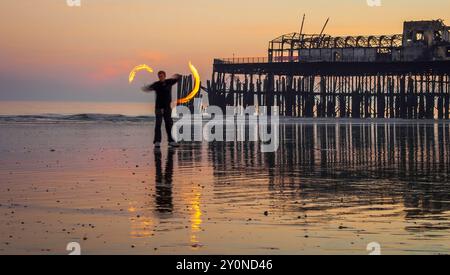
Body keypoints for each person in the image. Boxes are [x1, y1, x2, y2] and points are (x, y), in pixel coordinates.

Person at [142, 71, 182, 147]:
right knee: (158, 125)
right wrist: (145, 88)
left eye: (162, 76)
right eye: (159, 76)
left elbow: (178, 78)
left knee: (169, 124)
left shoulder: (169, 82)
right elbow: (149, 88)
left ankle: (171, 141)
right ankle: (157, 141)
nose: (161, 77)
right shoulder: (156, 84)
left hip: (167, 108)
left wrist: (178, 75)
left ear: (165, 76)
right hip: (158, 108)